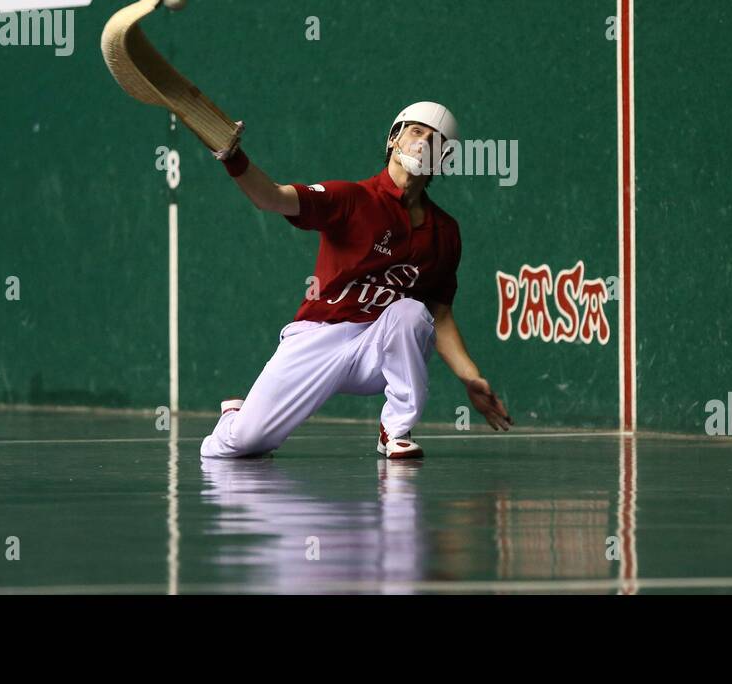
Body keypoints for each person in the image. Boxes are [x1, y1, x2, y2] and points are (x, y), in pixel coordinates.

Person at [200, 101, 512, 460]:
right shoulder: (351, 198)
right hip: (319, 337)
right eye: (416, 132)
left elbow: (438, 315)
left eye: (436, 139)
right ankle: (235, 418)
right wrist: (232, 156)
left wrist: (469, 377)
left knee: (410, 312)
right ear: (393, 140)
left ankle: (394, 430)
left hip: (375, 349)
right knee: (238, 446)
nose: (424, 142)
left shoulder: (445, 232)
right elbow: (270, 197)